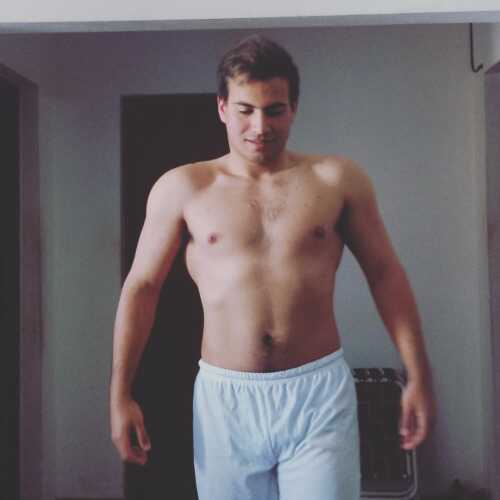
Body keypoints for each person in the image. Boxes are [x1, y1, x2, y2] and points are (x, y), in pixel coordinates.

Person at [110, 34, 435, 499]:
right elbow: (142, 286)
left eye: (275, 110)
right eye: (245, 110)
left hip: (317, 393)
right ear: (222, 107)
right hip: (226, 399)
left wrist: (418, 374)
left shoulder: (336, 180)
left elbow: (385, 273)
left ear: (294, 108)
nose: (260, 126)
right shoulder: (183, 188)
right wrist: (120, 393)